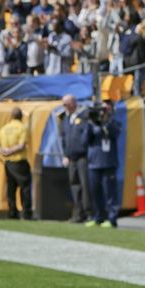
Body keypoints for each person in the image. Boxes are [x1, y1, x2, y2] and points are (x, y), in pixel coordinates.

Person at [85, 101, 120, 228]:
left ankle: (112, 219)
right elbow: (86, 140)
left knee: (110, 193)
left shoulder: (113, 121)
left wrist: (105, 121)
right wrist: (91, 123)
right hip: (94, 163)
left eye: (105, 109)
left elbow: (115, 133)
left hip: (108, 162)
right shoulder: (92, 123)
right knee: (96, 192)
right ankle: (98, 217)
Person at [0, 107, 32, 220]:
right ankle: (26, 213)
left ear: (12, 116)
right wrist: (11, 151)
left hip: (8, 163)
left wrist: (4, 152)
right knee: (24, 188)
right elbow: (21, 146)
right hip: (19, 162)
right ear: (21, 116)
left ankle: (12, 213)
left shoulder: (4, 128)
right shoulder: (22, 128)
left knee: (11, 188)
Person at [59, 94, 91, 222]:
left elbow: (86, 136)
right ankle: (78, 213)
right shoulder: (65, 119)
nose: (65, 106)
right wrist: (65, 154)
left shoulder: (83, 116)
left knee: (85, 185)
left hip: (82, 156)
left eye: (66, 103)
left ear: (73, 103)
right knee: (74, 185)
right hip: (71, 158)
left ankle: (88, 212)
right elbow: (63, 138)